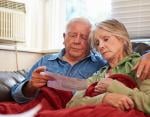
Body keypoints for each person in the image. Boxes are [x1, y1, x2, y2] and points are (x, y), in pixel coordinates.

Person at [11, 17, 150, 104]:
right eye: (73, 35)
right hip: (37, 109)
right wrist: (30, 86)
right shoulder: (45, 61)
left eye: (83, 37)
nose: (77, 41)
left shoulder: (99, 64)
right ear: (64, 37)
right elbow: (16, 95)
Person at [66, 19, 150, 114]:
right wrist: (103, 99)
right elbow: (72, 104)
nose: (101, 46)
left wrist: (114, 87)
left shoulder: (140, 64)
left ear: (122, 38)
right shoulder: (99, 74)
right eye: (97, 43)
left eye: (106, 39)